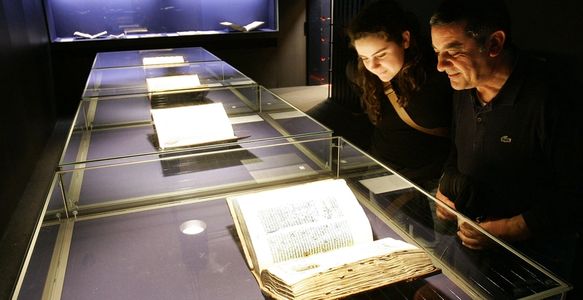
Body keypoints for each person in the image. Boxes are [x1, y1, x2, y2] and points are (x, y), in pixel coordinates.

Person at [430, 0, 582, 294]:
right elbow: (457, 150)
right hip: (472, 247)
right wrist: (444, 188)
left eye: (452, 50)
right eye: (437, 52)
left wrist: (509, 229)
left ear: (494, 43)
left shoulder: (553, 99)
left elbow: (574, 194)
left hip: (533, 264)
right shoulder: (464, 88)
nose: (439, 65)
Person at [346, 0, 453, 190]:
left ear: (405, 40)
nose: (372, 66)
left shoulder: (438, 75)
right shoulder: (359, 74)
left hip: (432, 180)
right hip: (381, 168)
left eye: (381, 55)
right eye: (364, 57)